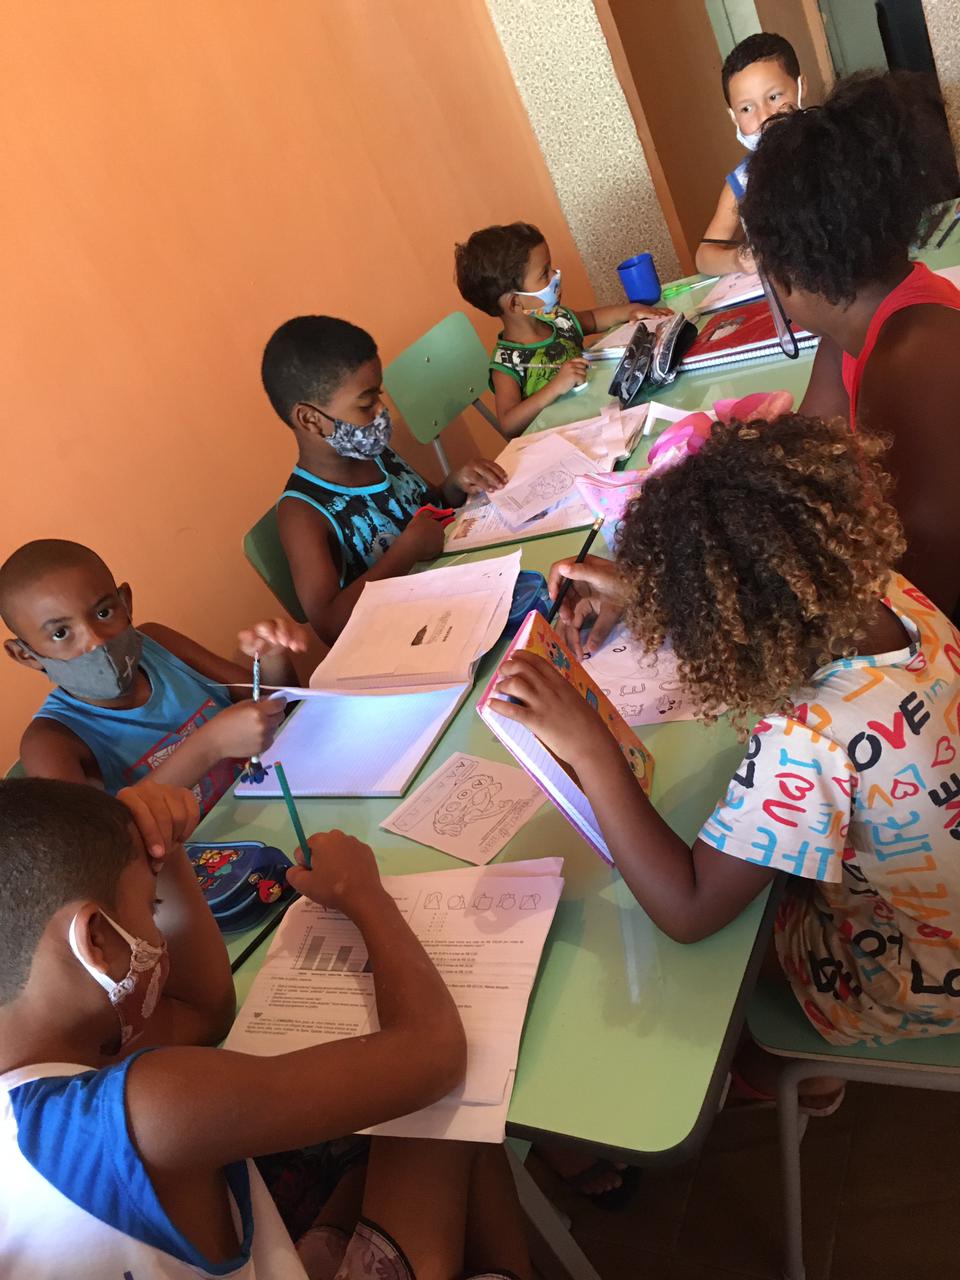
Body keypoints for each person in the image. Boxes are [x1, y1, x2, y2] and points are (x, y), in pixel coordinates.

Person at [491, 414, 960, 1073]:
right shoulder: (880, 588)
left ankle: (776, 1078)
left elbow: (688, 909)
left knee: (713, 965)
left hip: (919, 976)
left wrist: (591, 746)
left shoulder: (808, 737)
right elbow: (766, 605)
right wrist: (659, 594)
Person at [0, 776, 530, 1279]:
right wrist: (362, 894)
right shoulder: (148, 1109)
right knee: (444, 1119)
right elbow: (433, 1055)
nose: (158, 929)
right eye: (150, 907)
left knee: (413, 1135)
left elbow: (202, 1013)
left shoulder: (41, 1080)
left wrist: (168, 851)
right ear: (95, 940)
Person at [740, 71, 960, 615]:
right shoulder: (849, 336)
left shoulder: (913, 363)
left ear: (787, 272)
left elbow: (919, 601)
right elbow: (800, 465)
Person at [1, 538, 304, 813]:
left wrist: (271, 656)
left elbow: (284, 710)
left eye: (104, 613)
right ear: (26, 655)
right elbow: (105, 844)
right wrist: (210, 746)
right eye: (60, 633)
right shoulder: (50, 742)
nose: (96, 641)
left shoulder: (159, 645)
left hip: (289, 796)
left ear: (125, 603)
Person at [262, 316, 508, 645]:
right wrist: (405, 553)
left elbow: (427, 507)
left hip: (465, 588)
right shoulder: (302, 513)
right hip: (415, 637)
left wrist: (455, 485)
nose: (381, 412)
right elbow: (330, 626)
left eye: (378, 396)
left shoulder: (375, 453)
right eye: (366, 403)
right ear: (310, 419)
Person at [455, 222, 667, 439]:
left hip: (602, 420)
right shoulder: (507, 361)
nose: (555, 275)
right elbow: (509, 424)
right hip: (565, 442)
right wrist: (555, 387)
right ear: (515, 303)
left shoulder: (559, 320)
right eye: (544, 274)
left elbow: (594, 319)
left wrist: (631, 310)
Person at [696, 32, 805, 277]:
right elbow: (704, 257)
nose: (765, 117)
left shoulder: (836, 148)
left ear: (801, 86)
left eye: (774, 97)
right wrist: (736, 260)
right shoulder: (743, 179)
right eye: (746, 108)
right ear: (733, 117)